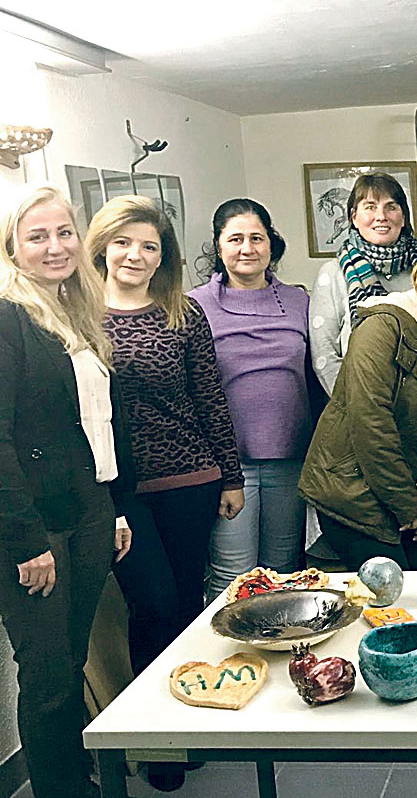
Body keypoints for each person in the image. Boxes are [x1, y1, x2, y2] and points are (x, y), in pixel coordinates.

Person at [0, 185, 134, 798]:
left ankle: (77, 780)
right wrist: (27, 542)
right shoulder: (9, 318)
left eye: (64, 232)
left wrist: (114, 510)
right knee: (49, 677)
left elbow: (93, 425)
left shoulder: (73, 311)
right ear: (12, 248)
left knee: (71, 661)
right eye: (37, 236)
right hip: (37, 526)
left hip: (88, 510)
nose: (55, 246)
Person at [87, 196, 244, 681]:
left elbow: (210, 398)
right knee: (151, 605)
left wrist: (231, 477)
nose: (135, 255)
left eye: (149, 246)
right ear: (102, 247)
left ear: (162, 257)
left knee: (184, 602)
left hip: (190, 481)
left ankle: (190, 701)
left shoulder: (183, 313)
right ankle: (154, 720)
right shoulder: (79, 318)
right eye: (123, 242)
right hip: (119, 492)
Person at [299, 230, 417, 571]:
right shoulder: (384, 325)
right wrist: (410, 509)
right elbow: (371, 424)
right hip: (357, 498)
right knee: (396, 596)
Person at [189, 199, 313, 601]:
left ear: (271, 244)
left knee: (284, 574)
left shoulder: (299, 301)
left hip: (291, 460)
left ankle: (280, 643)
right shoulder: (194, 305)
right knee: (233, 577)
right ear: (218, 245)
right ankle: (225, 643)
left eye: (257, 238)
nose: (247, 248)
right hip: (229, 465)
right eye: (236, 239)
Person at [309, 172, 417, 397]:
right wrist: (357, 404)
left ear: (403, 217)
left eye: (391, 207)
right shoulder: (332, 274)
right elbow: (324, 357)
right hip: (358, 402)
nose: (381, 216)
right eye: (370, 207)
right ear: (353, 217)